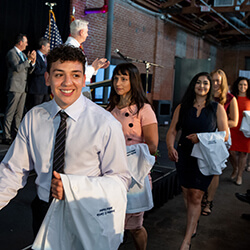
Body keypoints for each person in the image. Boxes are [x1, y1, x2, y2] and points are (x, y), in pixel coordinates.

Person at [0, 45, 131, 247]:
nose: (67, 82)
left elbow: (121, 180)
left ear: (84, 79)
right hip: (43, 210)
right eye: (59, 74)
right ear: (47, 79)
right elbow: (12, 171)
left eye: (76, 75)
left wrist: (74, 188)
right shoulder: (34, 117)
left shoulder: (106, 124)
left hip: (85, 211)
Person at [166, 72, 228, 250]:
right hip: (184, 155)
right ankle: (194, 222)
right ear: (193, 85)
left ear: (211, 87)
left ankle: (187, 240)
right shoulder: (182, 107)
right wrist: (170, 147)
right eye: (199, 83)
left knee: (196, 195)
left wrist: (201, 138)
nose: (202, 86)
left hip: (205, 157)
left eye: (206, 83)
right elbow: (172, 131)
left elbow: (225, 135)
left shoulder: (217, 108)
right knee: (187, 193)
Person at [107, 63, 158, 250]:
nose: (118, 83)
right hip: (112, 173)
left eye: (123, 78)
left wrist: (130, 153)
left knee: (135, 226)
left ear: (133, 81)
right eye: (116, 78)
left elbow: (152, 146)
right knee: (112, 221)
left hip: (136, 175)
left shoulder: (144, 109)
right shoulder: (110, 109)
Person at [202, 69, 239, 216]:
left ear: (223, 82)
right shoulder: (204, 96)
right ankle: (203, 195)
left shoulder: (230, 98)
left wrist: (217, 123)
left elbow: (234, 122)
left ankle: (209, 201)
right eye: (213, 80)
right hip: (203, 136)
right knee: (202, 166)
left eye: (218, 81)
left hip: (219, 136)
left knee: (214, 170)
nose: (216, 83)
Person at [3, 33, 36, 145]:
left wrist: (32, 62)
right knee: (10, 112)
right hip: (15, 86)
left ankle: (15, 133)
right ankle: (6, 135)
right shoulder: (12, 53)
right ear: (20, 42)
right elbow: (17, 68)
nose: (27, 45)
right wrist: (28, 60)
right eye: (25, 42)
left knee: (19, 113)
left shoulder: (22, 54)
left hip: (23, 87)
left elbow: (28, 70)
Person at [65, 19, 110, 98]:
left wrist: (96, 67)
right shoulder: (71, 48)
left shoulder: (74, 47)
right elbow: (76, 73)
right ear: (81, 32)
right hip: (76, 92)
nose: (87, 35)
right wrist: (93, 67)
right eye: (86, 32)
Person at [229, 77, 250, 185]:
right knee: (231, 151)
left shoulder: (249, 99)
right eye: (240, 84)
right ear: (237, 86)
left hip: (246, 129)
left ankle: (240, 175)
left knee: (243, 153)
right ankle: (235, 168)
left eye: (245, 85)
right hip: (234, 127)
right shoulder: (232, 98)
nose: (243, 87)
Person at [27, 37, 50, 110]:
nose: (49, 48)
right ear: (43, 47)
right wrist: (48, 69)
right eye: (48, 46)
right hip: (37, 89)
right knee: (36, 109)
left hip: (46, 89)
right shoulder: (34, 55)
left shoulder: (46, 57)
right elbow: (36, 71)